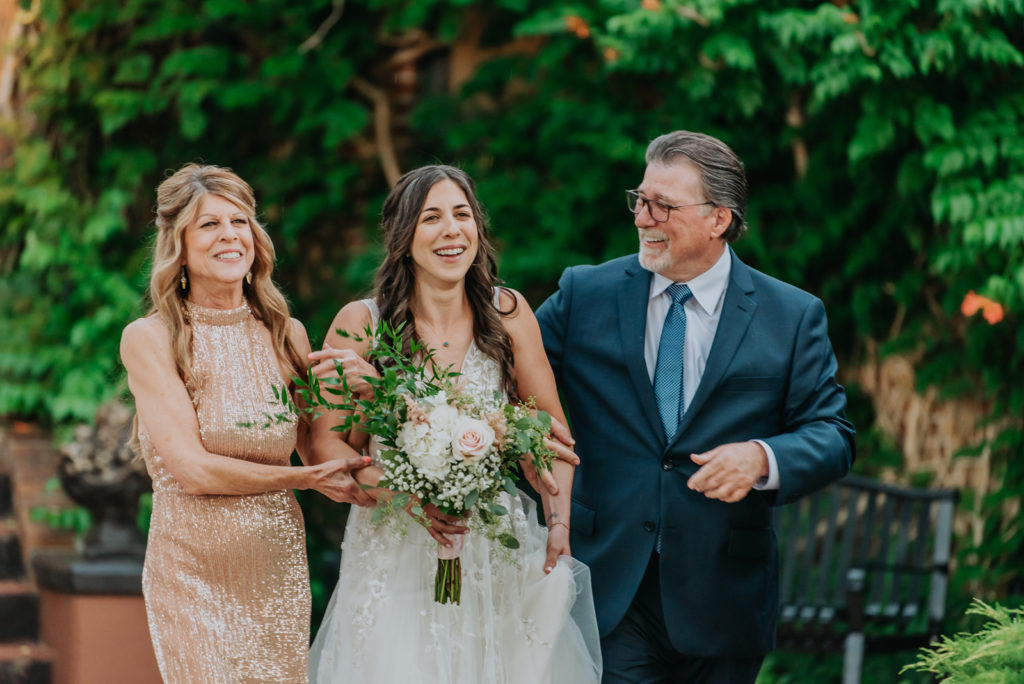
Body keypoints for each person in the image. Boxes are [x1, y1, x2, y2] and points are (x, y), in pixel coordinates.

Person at [535, 131, 856, 683]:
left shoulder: (792, 315)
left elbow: (832, 433)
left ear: (719, 220)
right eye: (640, 199)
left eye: (664, 205)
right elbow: (500, 376)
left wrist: (761, 457)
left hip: (724, 597)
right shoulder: (584, 293)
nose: (643, 217)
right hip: (609, 585)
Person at [306, 164, 602, 683]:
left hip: (492, 550)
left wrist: (558, 523)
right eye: (432, 218)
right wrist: (405, 494)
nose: (452, 230)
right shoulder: (362, 324)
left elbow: (551, 435)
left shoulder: (507, 312)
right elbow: (326, 447)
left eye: (462, 215)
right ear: (403, 237)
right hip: (394, 547)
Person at [121, 163, 370, 683]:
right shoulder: (151, 338)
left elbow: (324, 451)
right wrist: (301, 480)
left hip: (275, 565)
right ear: (179, 245)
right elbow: (194, 471)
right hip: (191, 568)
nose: (230, 235)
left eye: (240, 222)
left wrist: (376, 396)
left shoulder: (288, 334)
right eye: (209, 224)